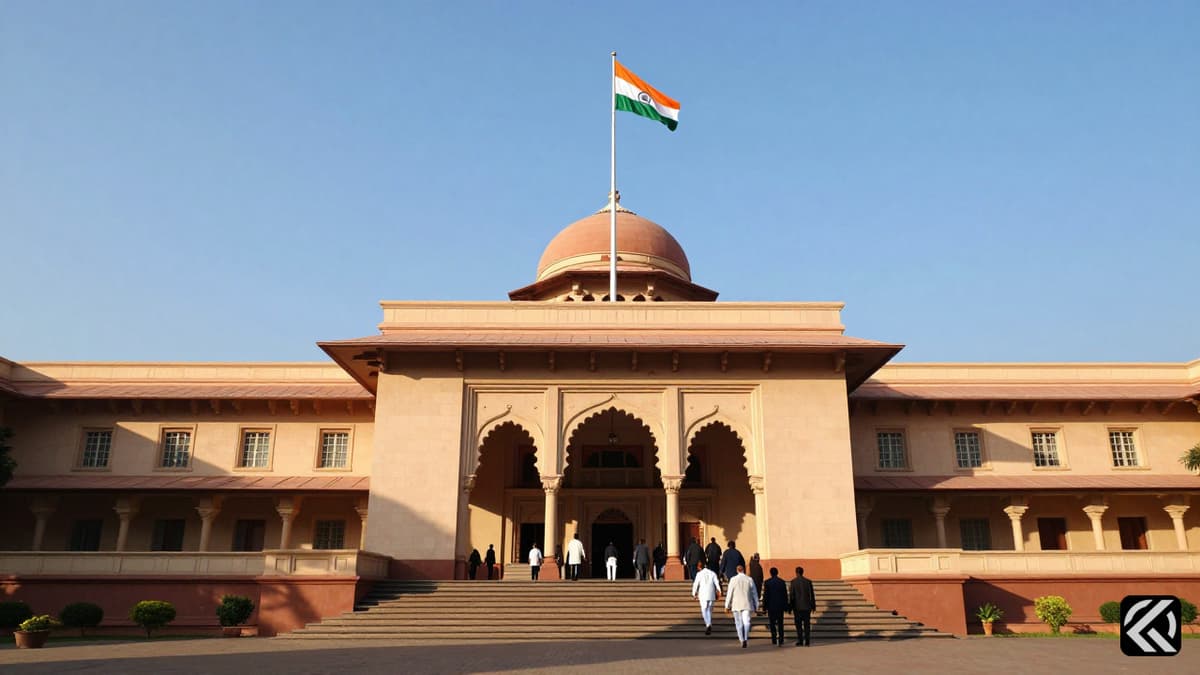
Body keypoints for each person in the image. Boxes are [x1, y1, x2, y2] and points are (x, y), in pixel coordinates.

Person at [724, 563, 758, 648]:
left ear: (737, 570)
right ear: (744, 570)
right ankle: (746, 637)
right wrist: (757, 604)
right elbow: (754, 593)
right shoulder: (749, 579)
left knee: (738, 623)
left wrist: (727, 605)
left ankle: (741, 639)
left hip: (736, 604)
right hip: (747, 603)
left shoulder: (733, 579)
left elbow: (729, 593)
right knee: (746, 622)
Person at [691, 560, 721, 636]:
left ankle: (708, 624)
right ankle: (709, 623)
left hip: (703, 594)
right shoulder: (712, 573)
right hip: (711, 594)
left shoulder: (699, 574)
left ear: (699, 567)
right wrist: (719, 590)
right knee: (710, 609)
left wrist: (694, 593)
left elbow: (696, 584)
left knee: (704, 609)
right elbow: (716, 582)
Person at [789, 565, 816, 647]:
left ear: (796, 572)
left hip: (797, 607)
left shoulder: (793, 582)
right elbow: (812, 595)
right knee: (807, 625)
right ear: (802, 572)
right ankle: (807, 641)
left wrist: (790, 607)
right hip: (807, 607)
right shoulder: (808, 581)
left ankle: (800, 641)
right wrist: (813, 605)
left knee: (799, 625)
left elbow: (792, 596)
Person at [762, 567, 789, 646]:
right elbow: (785, 595)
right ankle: (781, 639)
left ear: (770, 573)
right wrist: (786, 606)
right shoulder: (782, 582)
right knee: (780, 623)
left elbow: (765, 595)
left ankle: (774, 638)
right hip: (780, 606)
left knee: (772, 623)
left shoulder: (767, 582)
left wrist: (764, 606)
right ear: (777, 573)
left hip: (771, 606)